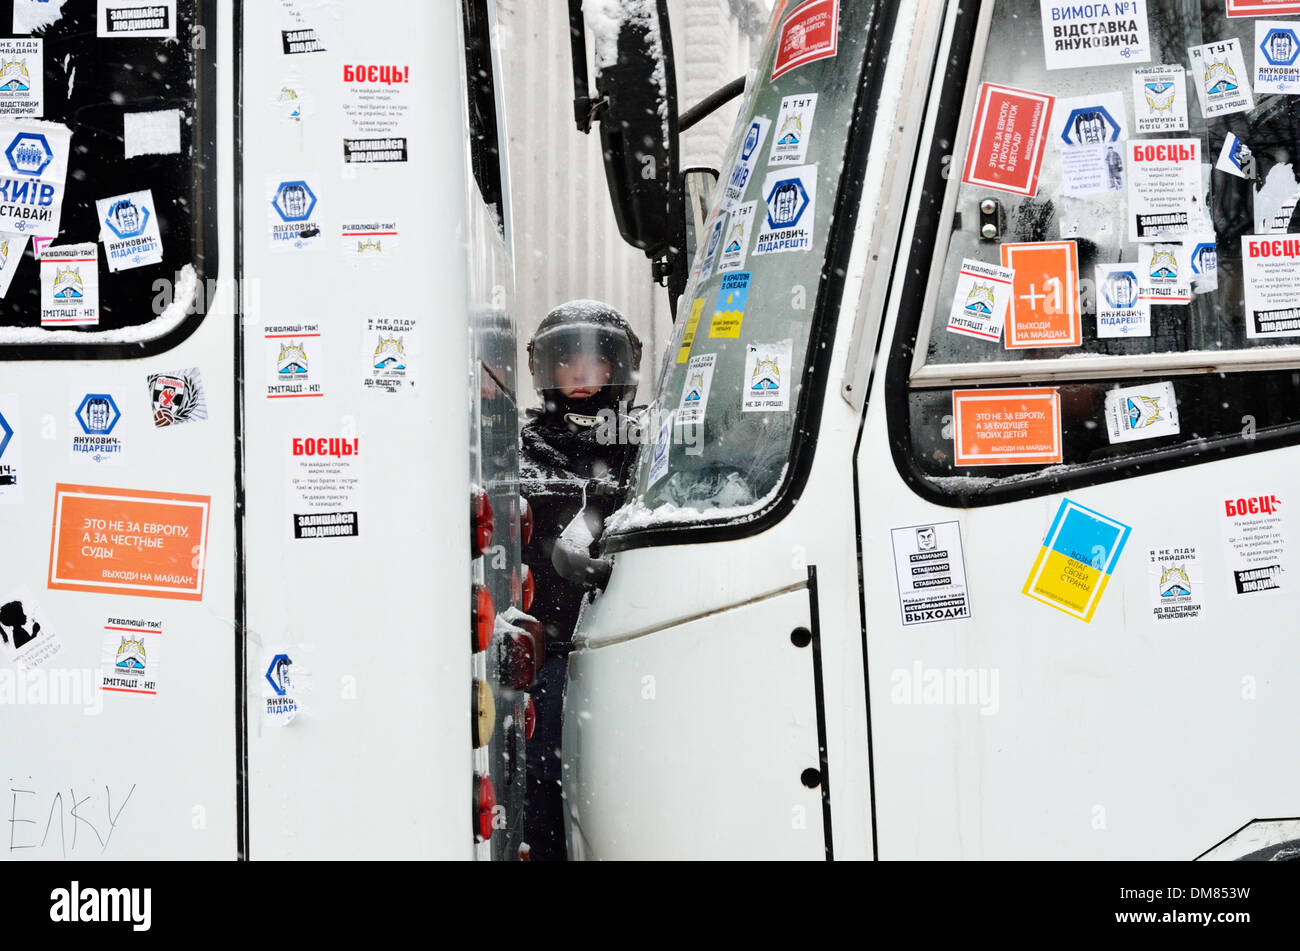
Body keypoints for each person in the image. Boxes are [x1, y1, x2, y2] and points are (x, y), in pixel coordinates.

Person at [518, 300, 643, 861]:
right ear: (545, 371)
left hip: (632, 645)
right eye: (567, 364)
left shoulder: (643, 448)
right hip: (548, 648)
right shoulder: (519, 447)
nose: (581, 378)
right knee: (541, 775)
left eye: (595, 366)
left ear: (620, 372)